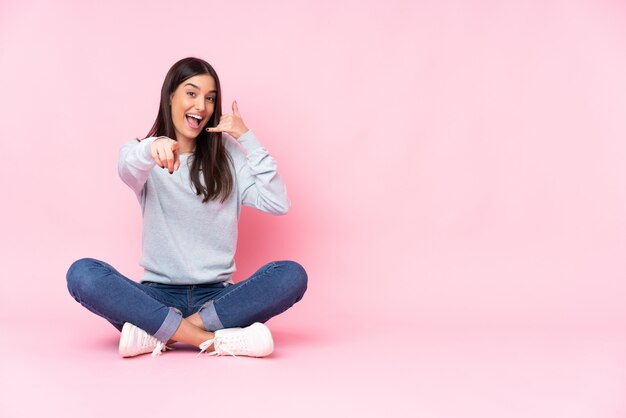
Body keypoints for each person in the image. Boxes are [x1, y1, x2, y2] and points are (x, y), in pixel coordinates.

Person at [66, 57, 307, 358]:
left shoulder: (228, 155)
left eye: (209, 98)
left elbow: (277, 202)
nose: (201, 106)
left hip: (218, 299)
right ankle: (214, 340)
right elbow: (127, 166)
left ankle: (162, 334)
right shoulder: (141, 155)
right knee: (82, 274)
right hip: (156, 296)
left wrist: (247, 137)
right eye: (191, 94)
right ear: (170, 97)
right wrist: (152, 148)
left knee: (291, 275)